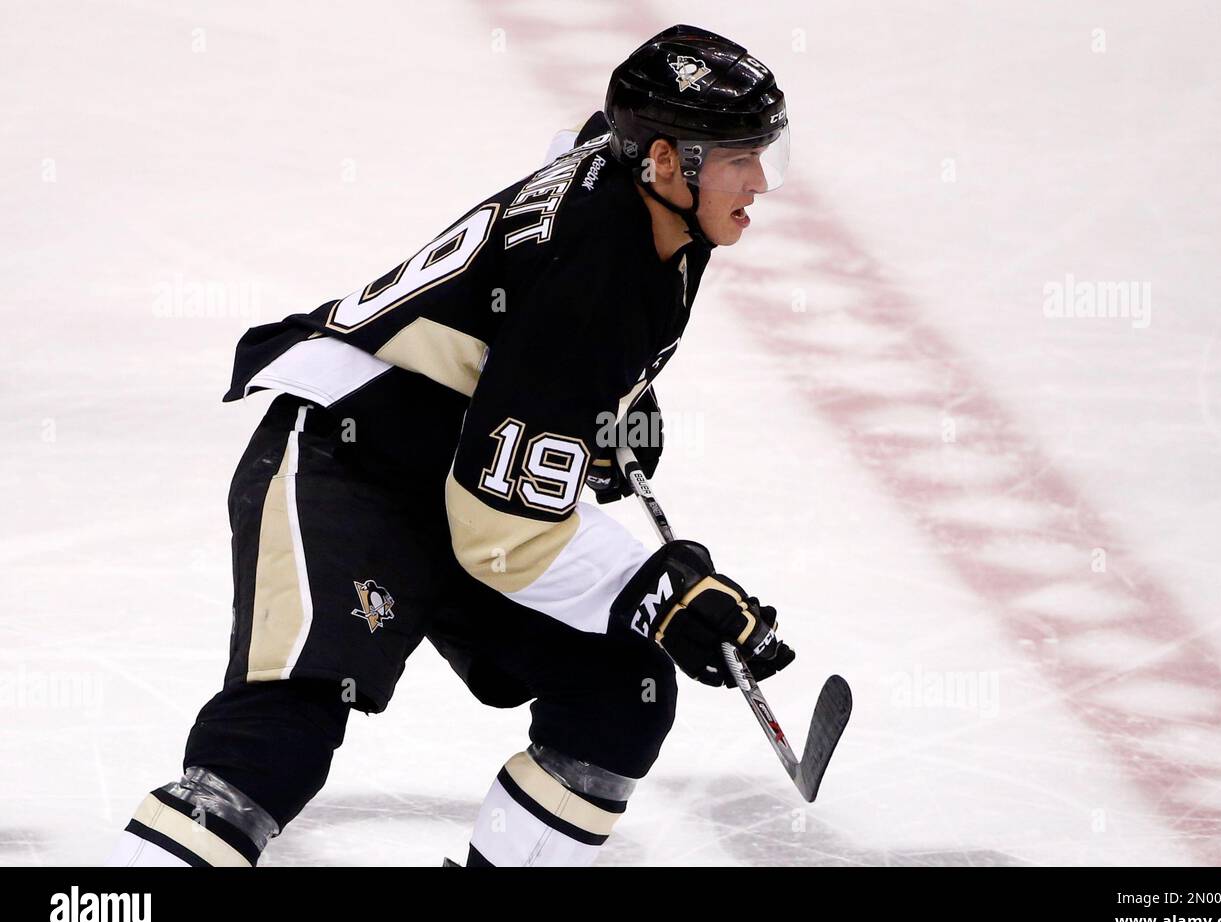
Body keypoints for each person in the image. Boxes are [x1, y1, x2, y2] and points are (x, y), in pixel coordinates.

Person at [106, 24, 794, 868]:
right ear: (661, 160)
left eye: (765, 153)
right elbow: (503, 528)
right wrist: (661, 591)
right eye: (738, 157)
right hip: (345, 459)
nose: (760, 181)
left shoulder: (639, 188)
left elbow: (549, 211)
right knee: (275, 743)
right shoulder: (599, 273)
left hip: (456, 458)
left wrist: (607, 409)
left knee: (619, 693)